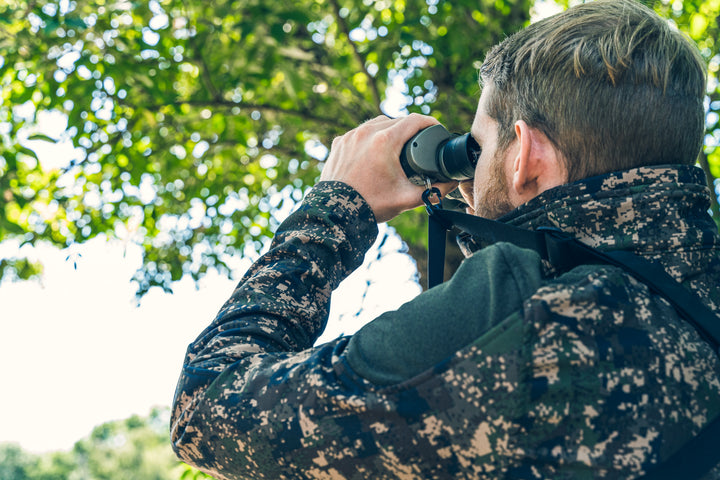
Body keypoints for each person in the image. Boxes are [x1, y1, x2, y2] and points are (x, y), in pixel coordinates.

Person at [170, 0, 720, 478]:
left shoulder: (515, 305)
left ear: (525, 156)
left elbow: (205, 409)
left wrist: (335, 207)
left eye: (476, 148)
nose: (463, 176)